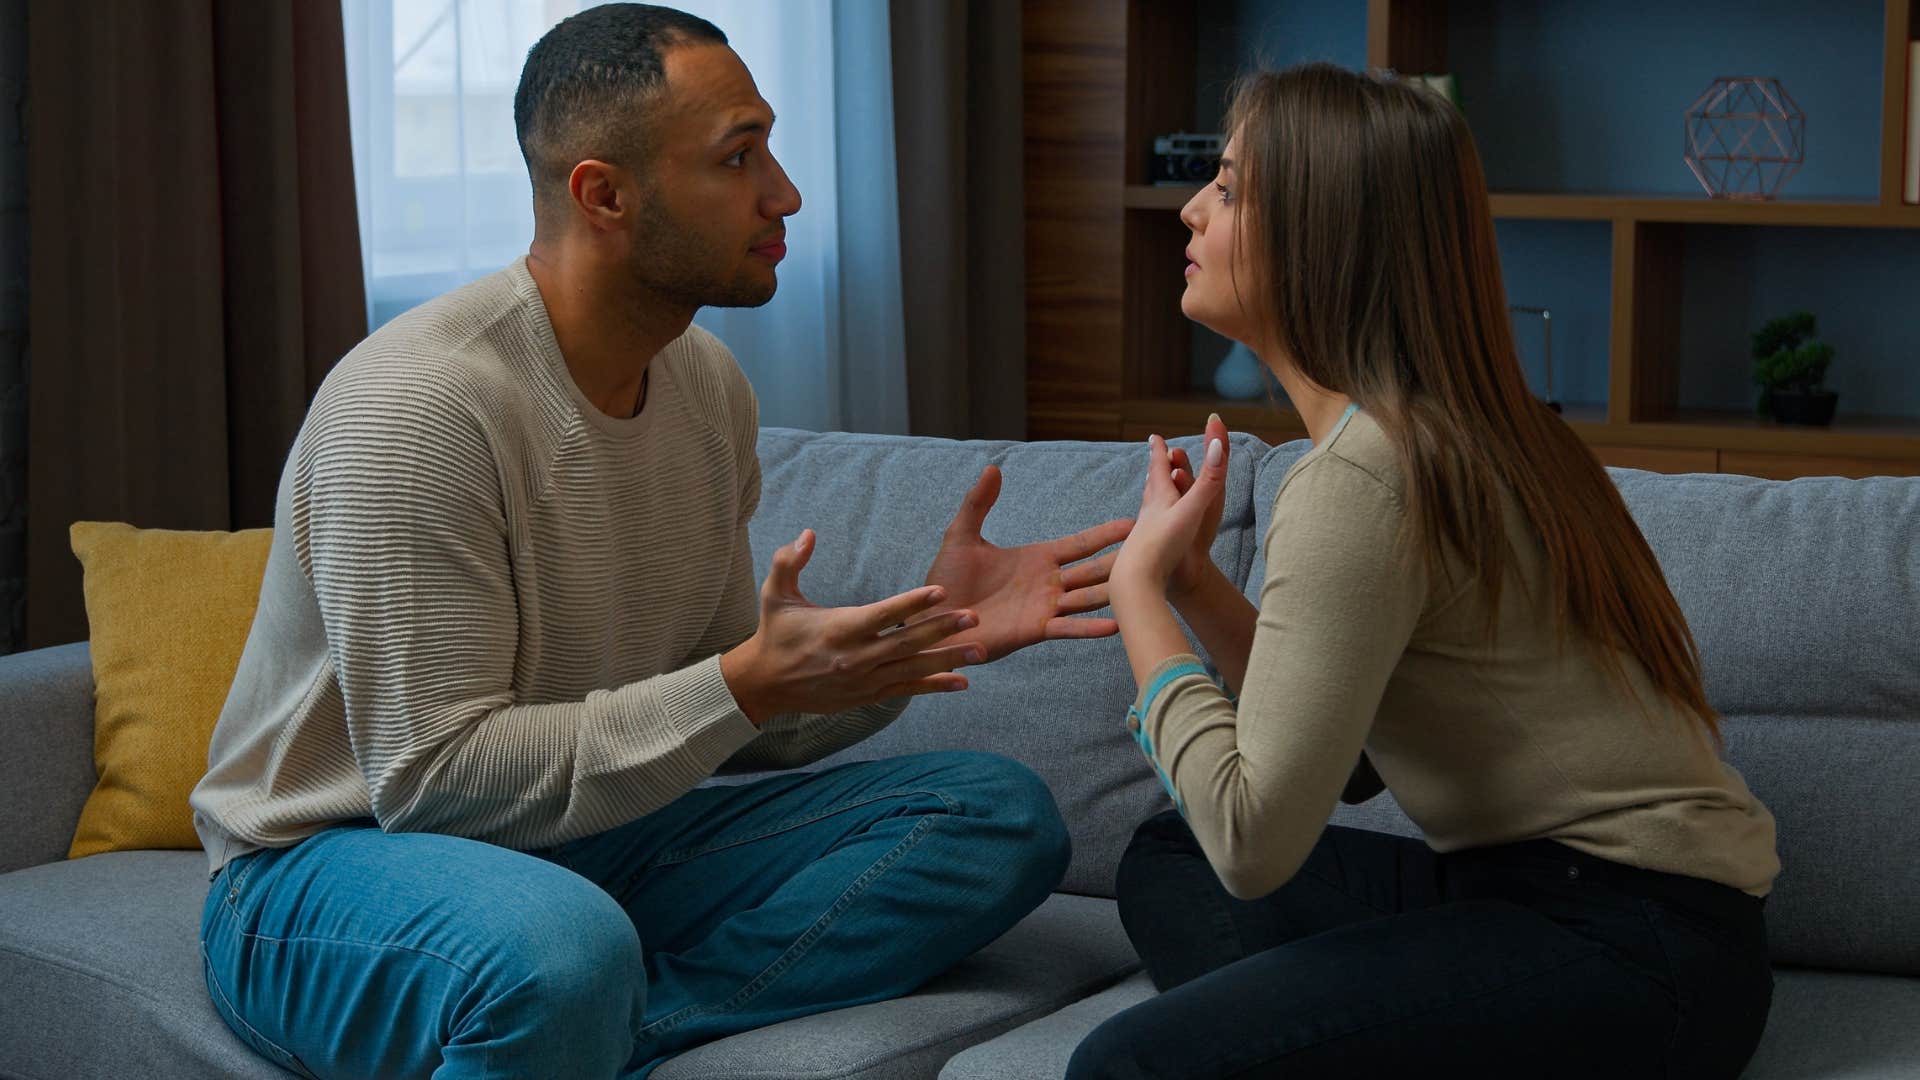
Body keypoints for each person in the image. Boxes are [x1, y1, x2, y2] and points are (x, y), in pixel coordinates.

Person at [189, 6, 1131, 1077]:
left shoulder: (705, 385)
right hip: (330, 864)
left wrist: (929, 633)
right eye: (739, 158)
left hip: (586, 843)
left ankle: (605, 1031)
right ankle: (568, 1006)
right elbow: (435, 783)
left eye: (769, 146)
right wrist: (740, 687)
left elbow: (721, 713)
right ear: (604, 195)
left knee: (993, 813)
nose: (785, 195)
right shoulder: (422, 411)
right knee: (558, 949)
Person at [1071, 63, 1779, 1079]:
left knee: (1127, 1064)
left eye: (1226, 189)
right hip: (1567, 907)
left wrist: (1135, 590)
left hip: (1631, 949)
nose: (1188, 209)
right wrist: (1190, 579)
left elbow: (1251, 837)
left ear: (1319, 231)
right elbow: (1348, 767)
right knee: (1164, 859)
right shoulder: (1470, 433)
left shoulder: (1364, 477)